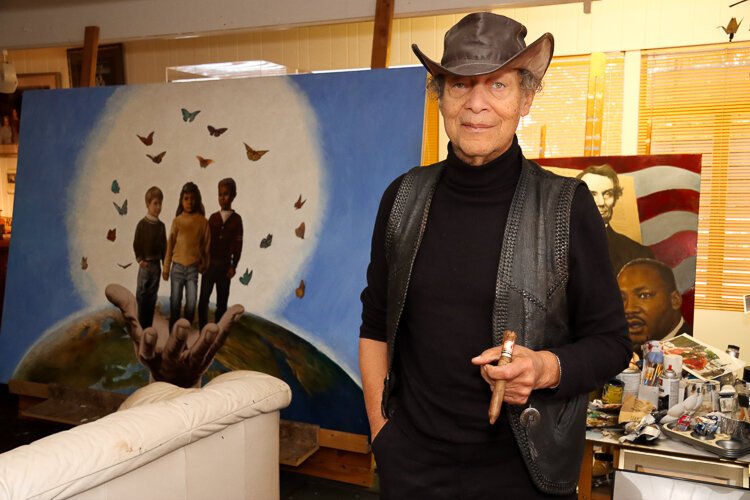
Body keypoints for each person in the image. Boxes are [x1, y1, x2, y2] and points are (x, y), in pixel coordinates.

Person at [359, 12, 631, 499]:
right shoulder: (402, 199)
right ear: (439, 95)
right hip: (413, 470)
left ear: (526, 98)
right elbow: (375, 326)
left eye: (498, 86)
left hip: (524, 473)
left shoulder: (567, 206)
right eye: (460, 85)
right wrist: (384, 435)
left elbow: (611, 342)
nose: (476, 104)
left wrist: (545, 368)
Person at [576, 164, 654, 275]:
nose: (601, 202)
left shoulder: (638, 254)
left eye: (607, 194)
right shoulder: (555, 247)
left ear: (615, 199)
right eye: (592, 194)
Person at [163, 182, 210, 329]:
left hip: (192, 270)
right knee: (175, 304)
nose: (189, 202)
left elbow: (206, 246)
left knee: (191, 304)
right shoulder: (177, 221)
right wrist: (166, 268)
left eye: (192, 198)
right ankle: (172, 337)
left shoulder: (203, 222)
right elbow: (169, 245)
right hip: (176, 268)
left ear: (197, 200)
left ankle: (184, 337)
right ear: (181, 200)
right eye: (186, 198)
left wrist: (204, 264)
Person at [617, 258, 692, 352]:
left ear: (675, 300)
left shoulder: (697, 356)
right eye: (621, 298)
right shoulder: (625, 353)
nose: (628, 309)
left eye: (644, 295)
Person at [198, 178, 243, 329]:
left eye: (226, 194)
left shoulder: (237, 220)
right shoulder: (213, 218)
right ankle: (203, 330)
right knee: (203, 300)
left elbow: (238, 245)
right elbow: (205, 242)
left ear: (233, 195)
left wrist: (234, 265)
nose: (222, 198)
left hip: (224, 268)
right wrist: (202, 261)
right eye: (220, 194)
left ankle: (215, 332)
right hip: (209, 266)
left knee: (221, 303)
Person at [133, 186, 167, 329]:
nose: (158, 207)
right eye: (155, 204)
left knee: (152, 296)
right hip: (145, 265)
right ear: (147, 204)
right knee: (142, 294)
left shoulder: (161, 226)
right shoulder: (142, 224)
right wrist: (140, 260)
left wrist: (165, 265)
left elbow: (165, 247)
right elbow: (136, 243)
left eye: (160, 204)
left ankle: (147, 327)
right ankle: (139, 325)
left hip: (156, 267)